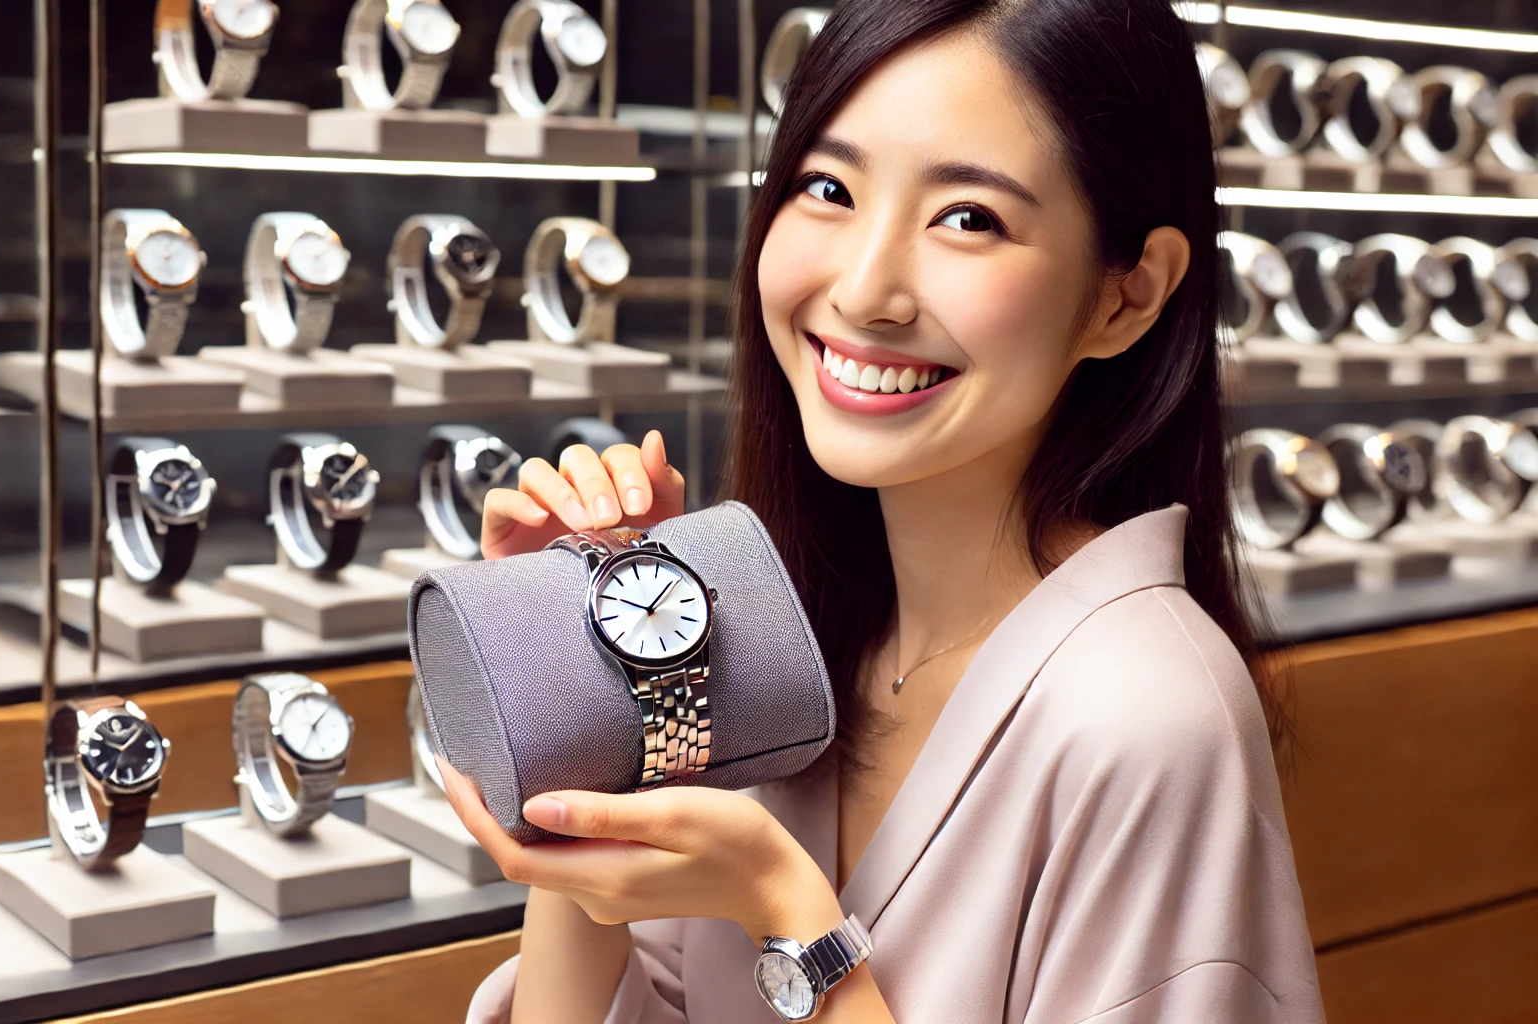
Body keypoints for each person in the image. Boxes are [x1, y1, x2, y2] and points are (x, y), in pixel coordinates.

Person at [440, 0, 1326, 1021]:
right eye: (828, 188)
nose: (865, 290)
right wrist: (580, 698)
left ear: (1124, 296)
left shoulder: (1148, 719)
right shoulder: (773, 648)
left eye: (968, 217)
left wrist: (785, 911)